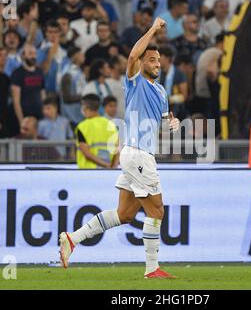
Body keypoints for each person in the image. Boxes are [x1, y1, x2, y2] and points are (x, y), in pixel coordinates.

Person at [59, 17, 181, 279]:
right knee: (157, 210)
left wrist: (173, 123)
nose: (157, 64)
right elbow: (134, 54)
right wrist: (153, 29)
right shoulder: (134, 81)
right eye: (151, 60)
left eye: (159, 60)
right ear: (141, 63)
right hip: (137, 154)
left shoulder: (160, 91)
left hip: (138, 155)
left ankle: (72, 238)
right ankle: (152, 269)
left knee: (125, 214)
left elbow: (162, 124)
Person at [74, 93, 119, 169]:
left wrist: (105, 165)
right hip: (108, 173)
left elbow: (86, 153)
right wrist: (112, 168)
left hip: (87, 172)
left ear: (85, 107)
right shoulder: (111, 125)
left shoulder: (82, 127)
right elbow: (117, 151)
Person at [11, 44, 46, 126]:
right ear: (23, 56)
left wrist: (44, 113)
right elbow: (16, 100)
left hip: (39, 114)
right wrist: (21, 121)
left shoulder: (39, 71)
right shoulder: (17, 73)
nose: (33, 56)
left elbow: (43, 94)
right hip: (25, 115)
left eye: (35, 53)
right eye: (30, 53)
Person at [60, 46, 87, 126]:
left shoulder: (78, 71)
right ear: (75, 56)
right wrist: (85, 97)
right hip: (71, 117)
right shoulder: (68, 73)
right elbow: (66, 98)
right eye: (81, 53)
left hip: (79, 114)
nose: (83, 55)